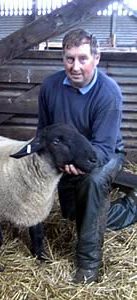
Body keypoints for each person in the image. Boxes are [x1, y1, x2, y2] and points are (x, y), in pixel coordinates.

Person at [36, 28, 137, 284]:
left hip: (107, 155)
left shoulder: (108, 93)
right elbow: (45, 132)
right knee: (75, 215)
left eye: (83, 58)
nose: (75, 66)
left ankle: (88, 264)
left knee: (92, 182)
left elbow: (102, 150)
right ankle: (114, 207)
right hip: (69, 158)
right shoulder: (50, 87)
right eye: (69, 58)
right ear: (62, 58)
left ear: (97, 58)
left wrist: (72, 164)